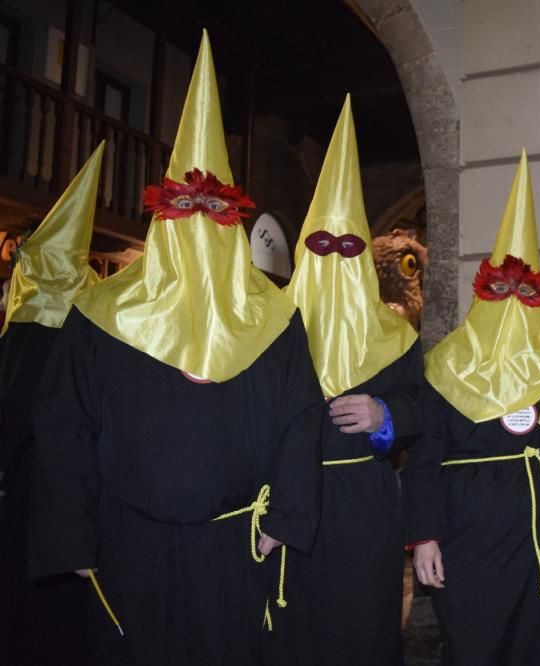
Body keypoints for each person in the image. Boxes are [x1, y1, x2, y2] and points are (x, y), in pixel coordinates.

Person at [28, 33, 324, 665]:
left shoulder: (273, 319)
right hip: (123, 540)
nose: (195, 225)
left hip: (231, 544)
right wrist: (71, 537)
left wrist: (286, 519)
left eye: (211, 210)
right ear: (161, 216)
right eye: (183, 207)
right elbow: (63, 424)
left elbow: (302, 419)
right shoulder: (103, 314)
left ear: (233, 221)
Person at [268, 96, 423, 665]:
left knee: (360, 627)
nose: (334, 259)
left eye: (348, 248)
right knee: (292, 627)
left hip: (363, 504)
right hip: (283, 503)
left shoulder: (396, 335)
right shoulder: (268, 326)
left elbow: (420, 409)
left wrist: (388, 416)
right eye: (321, 247)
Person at [402, 151, 540, 665]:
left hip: (537, 536)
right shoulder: (447, 362)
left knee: (535, 645)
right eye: (501, 289)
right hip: (465, 534)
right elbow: (425, 458)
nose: (511, 301)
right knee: (472, 647)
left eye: (524, 291)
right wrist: (425, 536)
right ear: (482, 293)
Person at [0, 143, 105, 665]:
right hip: (77, 495)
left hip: (27, 493)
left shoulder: (25, 333)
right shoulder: (90, 334)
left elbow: (13, 418)